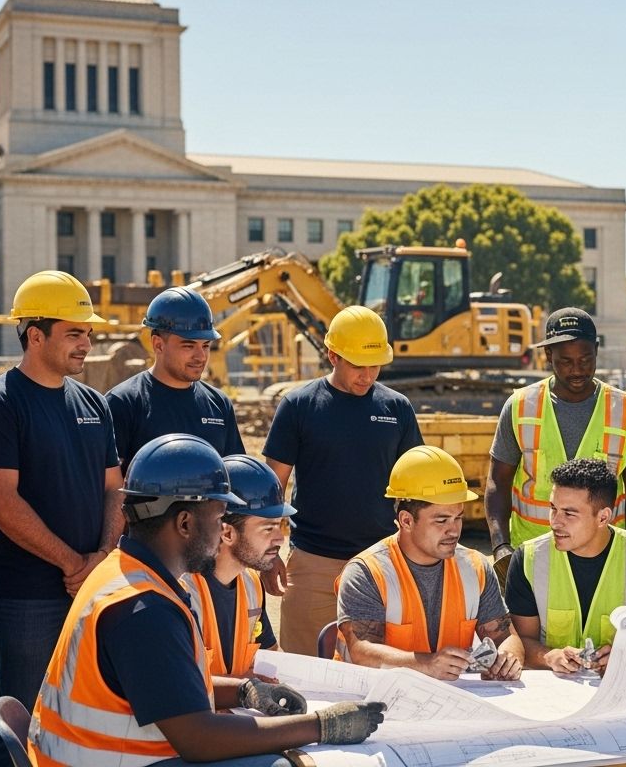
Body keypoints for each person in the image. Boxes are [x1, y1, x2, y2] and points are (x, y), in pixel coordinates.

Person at [28, 433, 386, 766]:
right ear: (184, 523)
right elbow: (199, 739)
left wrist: (244, 691)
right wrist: (321, 726)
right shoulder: (144, 608)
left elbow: (168, 687)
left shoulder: (128, 574)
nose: (222, 532)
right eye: (217, 518)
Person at [0, 270, 125, 767]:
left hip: (87, 587)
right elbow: (1, 501)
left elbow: (114, 488)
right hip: (24, 596)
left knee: (79, 713)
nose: (86, 343)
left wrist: (98, 560)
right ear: (35, 335)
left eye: (88, 333)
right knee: (18, 717)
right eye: (75, 333)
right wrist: (72, 564)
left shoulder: (94, 403)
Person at [262, 305, 423, 654]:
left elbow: (416, 490)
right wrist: (268, 552)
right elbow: (273, 486)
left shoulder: (396, 409)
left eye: (375, 365)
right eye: (357, 366)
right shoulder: (299, 406)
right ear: (332, 355)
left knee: (381, 678)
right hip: (314, 565)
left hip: (382, 565)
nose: (367, 375)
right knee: (306, 674)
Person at [336, 446, 522, 682]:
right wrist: (426, 664)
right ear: (406, 521)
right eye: (441, 520)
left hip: (449, 701)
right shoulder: (367, 572)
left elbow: (506, 636)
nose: (453, 530)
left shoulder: (475, 567)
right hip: (373, 701)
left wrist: (508, 658)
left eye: (458, 518)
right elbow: (362, 652)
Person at [485, 308, 626, 571]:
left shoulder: (624, 409)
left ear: (596, 350)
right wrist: (500, 545)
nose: (577, 370)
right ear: (548, 355)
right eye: (565, 361)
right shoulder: (520, 406)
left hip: (602, 557)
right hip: (533, 555)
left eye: (585, 360)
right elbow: (498, 481)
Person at [505, 458, 626, 674]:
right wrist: (548, 656)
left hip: (621, 693)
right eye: (553, 508)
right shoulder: (528, 559)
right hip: (550, 694)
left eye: (569, 513)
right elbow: (519, 639)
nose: (555, 521)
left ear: (603, 517)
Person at [107, 286, 244, 471]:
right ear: (158, 344)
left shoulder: (219, 405)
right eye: (188, 346)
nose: (201, 356)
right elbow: (109, 487)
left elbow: (235, 476)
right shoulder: (123, 404)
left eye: (205, 346)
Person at [182, 455, 294, 677]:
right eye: (268, 528)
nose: (280, 539)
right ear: (227, 533)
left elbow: (271, 660)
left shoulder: (251, 583)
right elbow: (183, 687)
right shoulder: (180, 592)